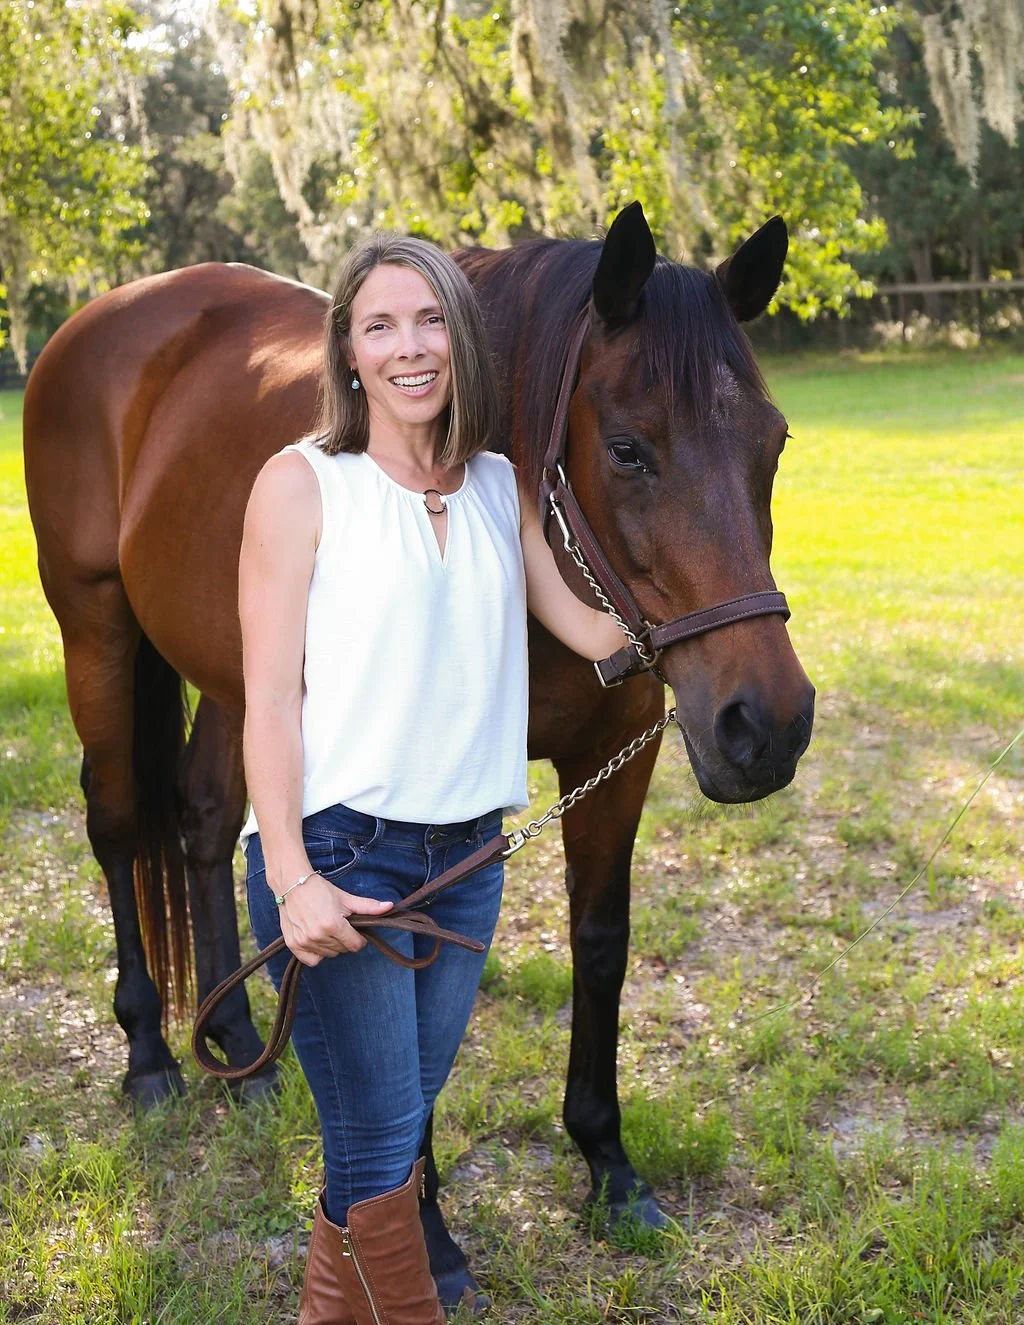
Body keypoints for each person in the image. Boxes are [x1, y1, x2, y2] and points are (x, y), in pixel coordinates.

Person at [238, 232, 628, 1324]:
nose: (408, 347)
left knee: (391, 1124)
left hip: (466, 860)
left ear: (461, 340)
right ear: (348, 352)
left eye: (427, 322)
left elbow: (592, 631)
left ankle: (330, 1309)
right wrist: (292, 877)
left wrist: (715, 619)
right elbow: (267, 699)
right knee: (377, 1138)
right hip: (339, 854)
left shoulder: (502, 484)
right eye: (379, 325)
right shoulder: (302, 485)